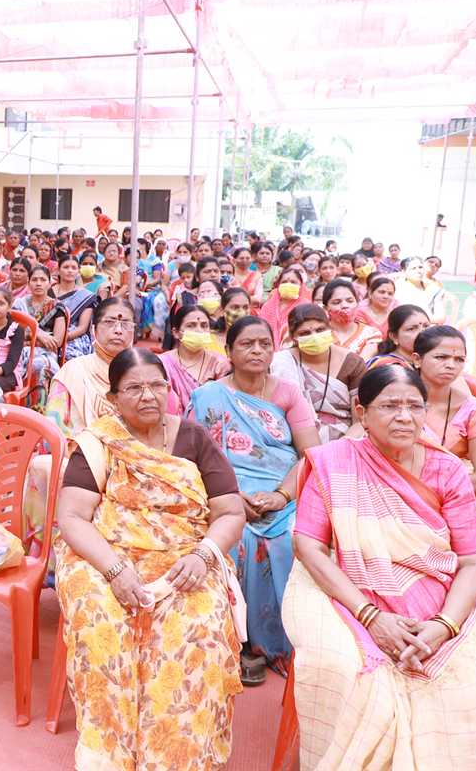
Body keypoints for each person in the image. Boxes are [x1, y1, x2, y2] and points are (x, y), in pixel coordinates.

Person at [285, 365, 476, 770]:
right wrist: (371, 617)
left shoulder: (447, 469)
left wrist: (443, 626)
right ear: (362, 414)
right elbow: (309, 545)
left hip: (436, 592)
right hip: (348, 590)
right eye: (390, 406)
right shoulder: (333, 461)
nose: (405, 417)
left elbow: (472, 561)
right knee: (339, 669)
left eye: (414, 406)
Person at [54, 348, 244, 770]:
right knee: (102, 622)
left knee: (198, 629)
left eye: (157, 385)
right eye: (134, 388)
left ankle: (176, 754)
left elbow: (230, 512)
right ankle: (111, 753)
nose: (148, 396)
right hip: (104, 555)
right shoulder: (99, 442)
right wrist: (115, 571)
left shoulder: (194, 438)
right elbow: (72, 518)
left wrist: (204, 555)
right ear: (113, 398)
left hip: (186, 558)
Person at [188, 316, 318, 685]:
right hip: (223, 492)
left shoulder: (288, 394)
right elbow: (192, 457)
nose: (257, 350)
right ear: (228, 351)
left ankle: (282, 640)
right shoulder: (208, 396)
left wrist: (281, 495)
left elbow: (311, 455)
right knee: (236, 538)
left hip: (284, 489)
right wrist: (228, 495)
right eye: (247, 344)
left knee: (291, 538)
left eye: (264, 343)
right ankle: (238, 641)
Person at [413, 326, 476, 635]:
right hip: (404, 503)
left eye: (458, 359)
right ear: (417, 359)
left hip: (465, 503)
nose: (450, 365)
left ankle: (475, 638)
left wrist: (432, 486)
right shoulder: (399, 404)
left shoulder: (474, 411)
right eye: (441, 357)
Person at [270, 304, 366, 443]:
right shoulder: (282, 362)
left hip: (345, 438)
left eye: (320, 330)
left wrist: (340, 448)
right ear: (293, 337)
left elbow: (360, 421)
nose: (314, 337)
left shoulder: (352, 363)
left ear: (330, 329)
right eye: (305, 333)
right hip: (293, 436)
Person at [45, 297, 137, 435]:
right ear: (94, 329)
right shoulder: (72, 372)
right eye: (109, 322)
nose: (118, 330)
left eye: (125, 324)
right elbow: (53, 429)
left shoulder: (144, 374)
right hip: (78, 447)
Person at [159, 304, 229, 415]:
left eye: (204, 325)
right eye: (191, 326)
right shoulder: (162, 363)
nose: (199, 330)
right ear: (176, 333)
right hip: (171, 423)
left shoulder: (220, 364)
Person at [50, 256, 97, 361]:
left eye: (73, 268)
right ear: (58, 270)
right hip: (48, 334)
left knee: (71, 356)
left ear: (78, 271)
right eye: (66, 267)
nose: (70, 271)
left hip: (73, 337)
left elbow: (82, 328)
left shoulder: (85, 296)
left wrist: (61, 338)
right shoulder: (48, 291)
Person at [321, 278, 382, 357]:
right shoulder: (318, 334)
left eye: (350, 301)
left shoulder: (371, 334)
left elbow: (362, 362)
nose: (345, 305)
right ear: (326, 308)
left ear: (357, 303)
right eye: (336, 302)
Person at [0, 287, 27, 394]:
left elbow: (12, 363)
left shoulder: (17, 330)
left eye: (1, 303)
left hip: (6, 372)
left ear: (9, 306)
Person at [256, 266, 310, 348]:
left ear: (301, 285)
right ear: (278, 285)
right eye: (284, 282)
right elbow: (260, 328)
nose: (288, 284)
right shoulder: (268, 306)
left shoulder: (306, 306)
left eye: (293, 282)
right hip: (268, 348)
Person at [366, 304, 430, 370]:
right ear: (394, 337)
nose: (422, 332)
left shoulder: (427, 361)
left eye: (426, 326)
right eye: (411, 329)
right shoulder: (388, 366)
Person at [392, 256, 445, 324]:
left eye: (420, 267)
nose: (418, 271)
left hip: (428, 326)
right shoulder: (395, 287)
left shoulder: (435, 290)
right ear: (404, 271)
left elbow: (440, 318)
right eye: (413, 268)